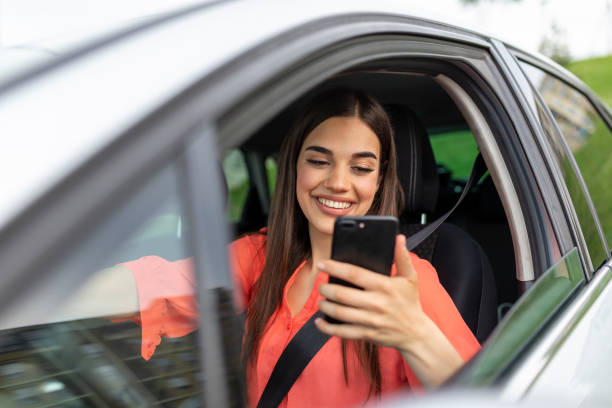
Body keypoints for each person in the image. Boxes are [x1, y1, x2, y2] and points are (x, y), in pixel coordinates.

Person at [119, 89, 480, 407]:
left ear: (379, 179)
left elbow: (481, 397)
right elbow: (152, 286)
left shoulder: (408, 281)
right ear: (294, 167)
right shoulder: (261, 255)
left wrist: (414, 333)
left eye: (361, 168)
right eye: (319, 161)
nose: (338, 182)